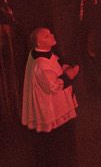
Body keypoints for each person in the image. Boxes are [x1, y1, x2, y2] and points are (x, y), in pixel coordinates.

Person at [21, 26, 79, 166]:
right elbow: (53, 86)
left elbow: (55, 62)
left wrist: (64, 67)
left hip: (56, 108)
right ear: (39, 44)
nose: (52, 35)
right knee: (58, 145)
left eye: (50, 33)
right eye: (46, 36)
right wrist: (70, 75)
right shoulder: (40, 63)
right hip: (53, 111)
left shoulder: (43, 53)